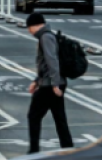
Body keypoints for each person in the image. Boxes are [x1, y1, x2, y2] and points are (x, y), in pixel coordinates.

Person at [25, 13, 72, 153]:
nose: (29, 31)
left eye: (29, 28)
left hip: (49, 85)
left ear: (35, 26)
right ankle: (68, 149)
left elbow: (52, 60)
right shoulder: (48, 36)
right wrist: (36, 81)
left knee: (33, 116)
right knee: (59, 118)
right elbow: (46, 64)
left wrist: (55, 84)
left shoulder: (45, 37)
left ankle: (33, 151)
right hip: (52, 82)